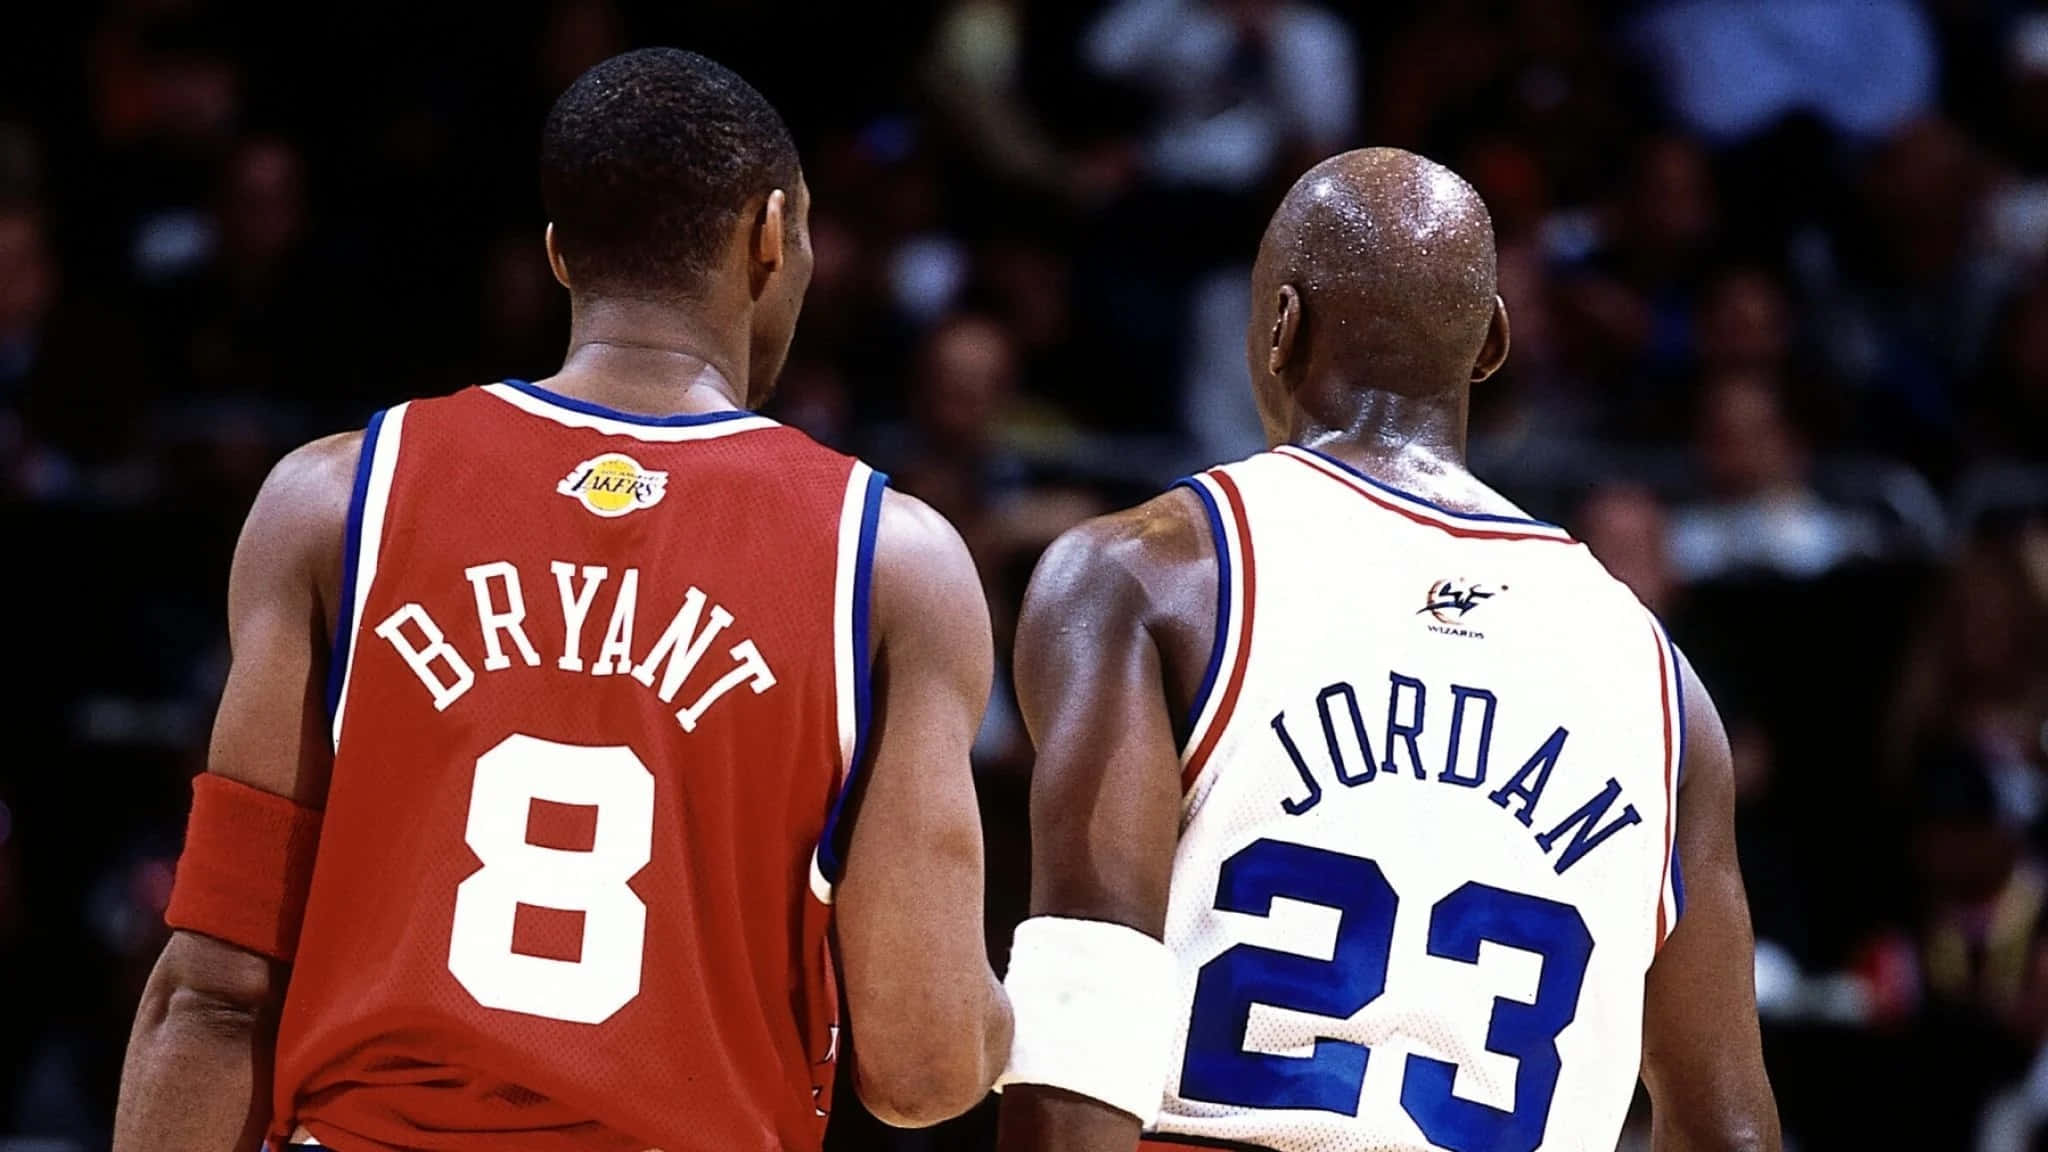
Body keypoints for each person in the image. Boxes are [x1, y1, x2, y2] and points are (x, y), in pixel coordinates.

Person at [113, 47, 1010, 1152]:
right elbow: (922, 1069)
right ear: (771, 235)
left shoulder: (335, 500)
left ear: (558, 254)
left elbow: (214, 995)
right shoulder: (888, 561)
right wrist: (1054, 1004)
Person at [995, 149, 1781, 1152]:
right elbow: (1727, 1132)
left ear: (1280, 327)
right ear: (1491, 342)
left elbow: (1082, 1019)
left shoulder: (1160, 572)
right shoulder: (1660, 683)